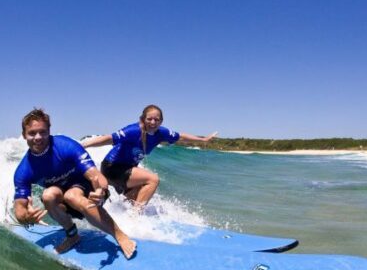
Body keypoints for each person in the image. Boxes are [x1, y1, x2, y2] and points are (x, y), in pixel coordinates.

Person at [13, 108, 137, 259]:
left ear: (49, 131)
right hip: (66, 204)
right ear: (24, 135)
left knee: (72, 195)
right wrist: (25, 216)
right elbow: (19, 208)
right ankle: (72, 235)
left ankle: (119, 235)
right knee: (48, 195)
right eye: (32, 133)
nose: (38, 137)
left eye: (42, 132)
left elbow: (96, 176)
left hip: (90, 193)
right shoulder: (24, 170)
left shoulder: (65, 146)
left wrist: (101, 190)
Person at [82, 104, 217, 211]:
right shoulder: (133, 131)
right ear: (143, 119)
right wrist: (85, 145)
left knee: (135, 196)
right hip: (113, 167)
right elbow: (109, 138)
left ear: (161, 121)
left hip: (127, 169)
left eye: (156, 119)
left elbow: (180, 136)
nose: (153, 122)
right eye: (149, 119)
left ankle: (121, 217)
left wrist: (203, 140)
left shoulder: (161, 133)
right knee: (153, 179)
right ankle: (136, 216)